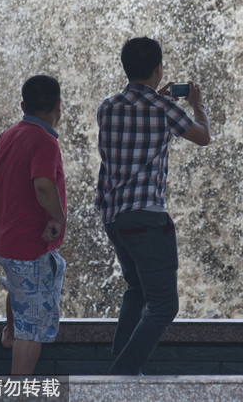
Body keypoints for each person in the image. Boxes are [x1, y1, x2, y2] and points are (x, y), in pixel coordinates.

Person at [96, 36, 211, 375]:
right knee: (163, 306)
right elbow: (203, 136)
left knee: (137, 289)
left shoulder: (107, 106)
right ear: (159, 69)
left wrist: (156, 99)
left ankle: (120, 363)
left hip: (115, 218)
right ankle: (122, 375)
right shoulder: (166, 109)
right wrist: (197, 103)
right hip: (147, 218)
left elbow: (135, 116)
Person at [0, 75, 67, 375]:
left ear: (23, 105)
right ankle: (18, 389)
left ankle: (8, 334)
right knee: (32, 326)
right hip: (28, 245)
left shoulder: (10, 134)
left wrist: (9, 205)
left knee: (21, 286)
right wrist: (57, 217)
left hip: (3, 239)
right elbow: (44, 186)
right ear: (59, 105)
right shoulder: (45, 141)